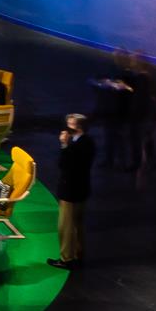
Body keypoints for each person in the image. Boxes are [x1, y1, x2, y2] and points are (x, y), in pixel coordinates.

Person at [50, 112, 95, 269]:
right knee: (77, 225)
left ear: (79, 128)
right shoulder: (88, 142)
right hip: (81, 189)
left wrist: (64, 146)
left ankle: (66, 258)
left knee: (66, 226)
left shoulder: (79, 145)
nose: (66, 130)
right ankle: (77, 254)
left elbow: (65, 165)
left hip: (71, 190)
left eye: (70, 126)